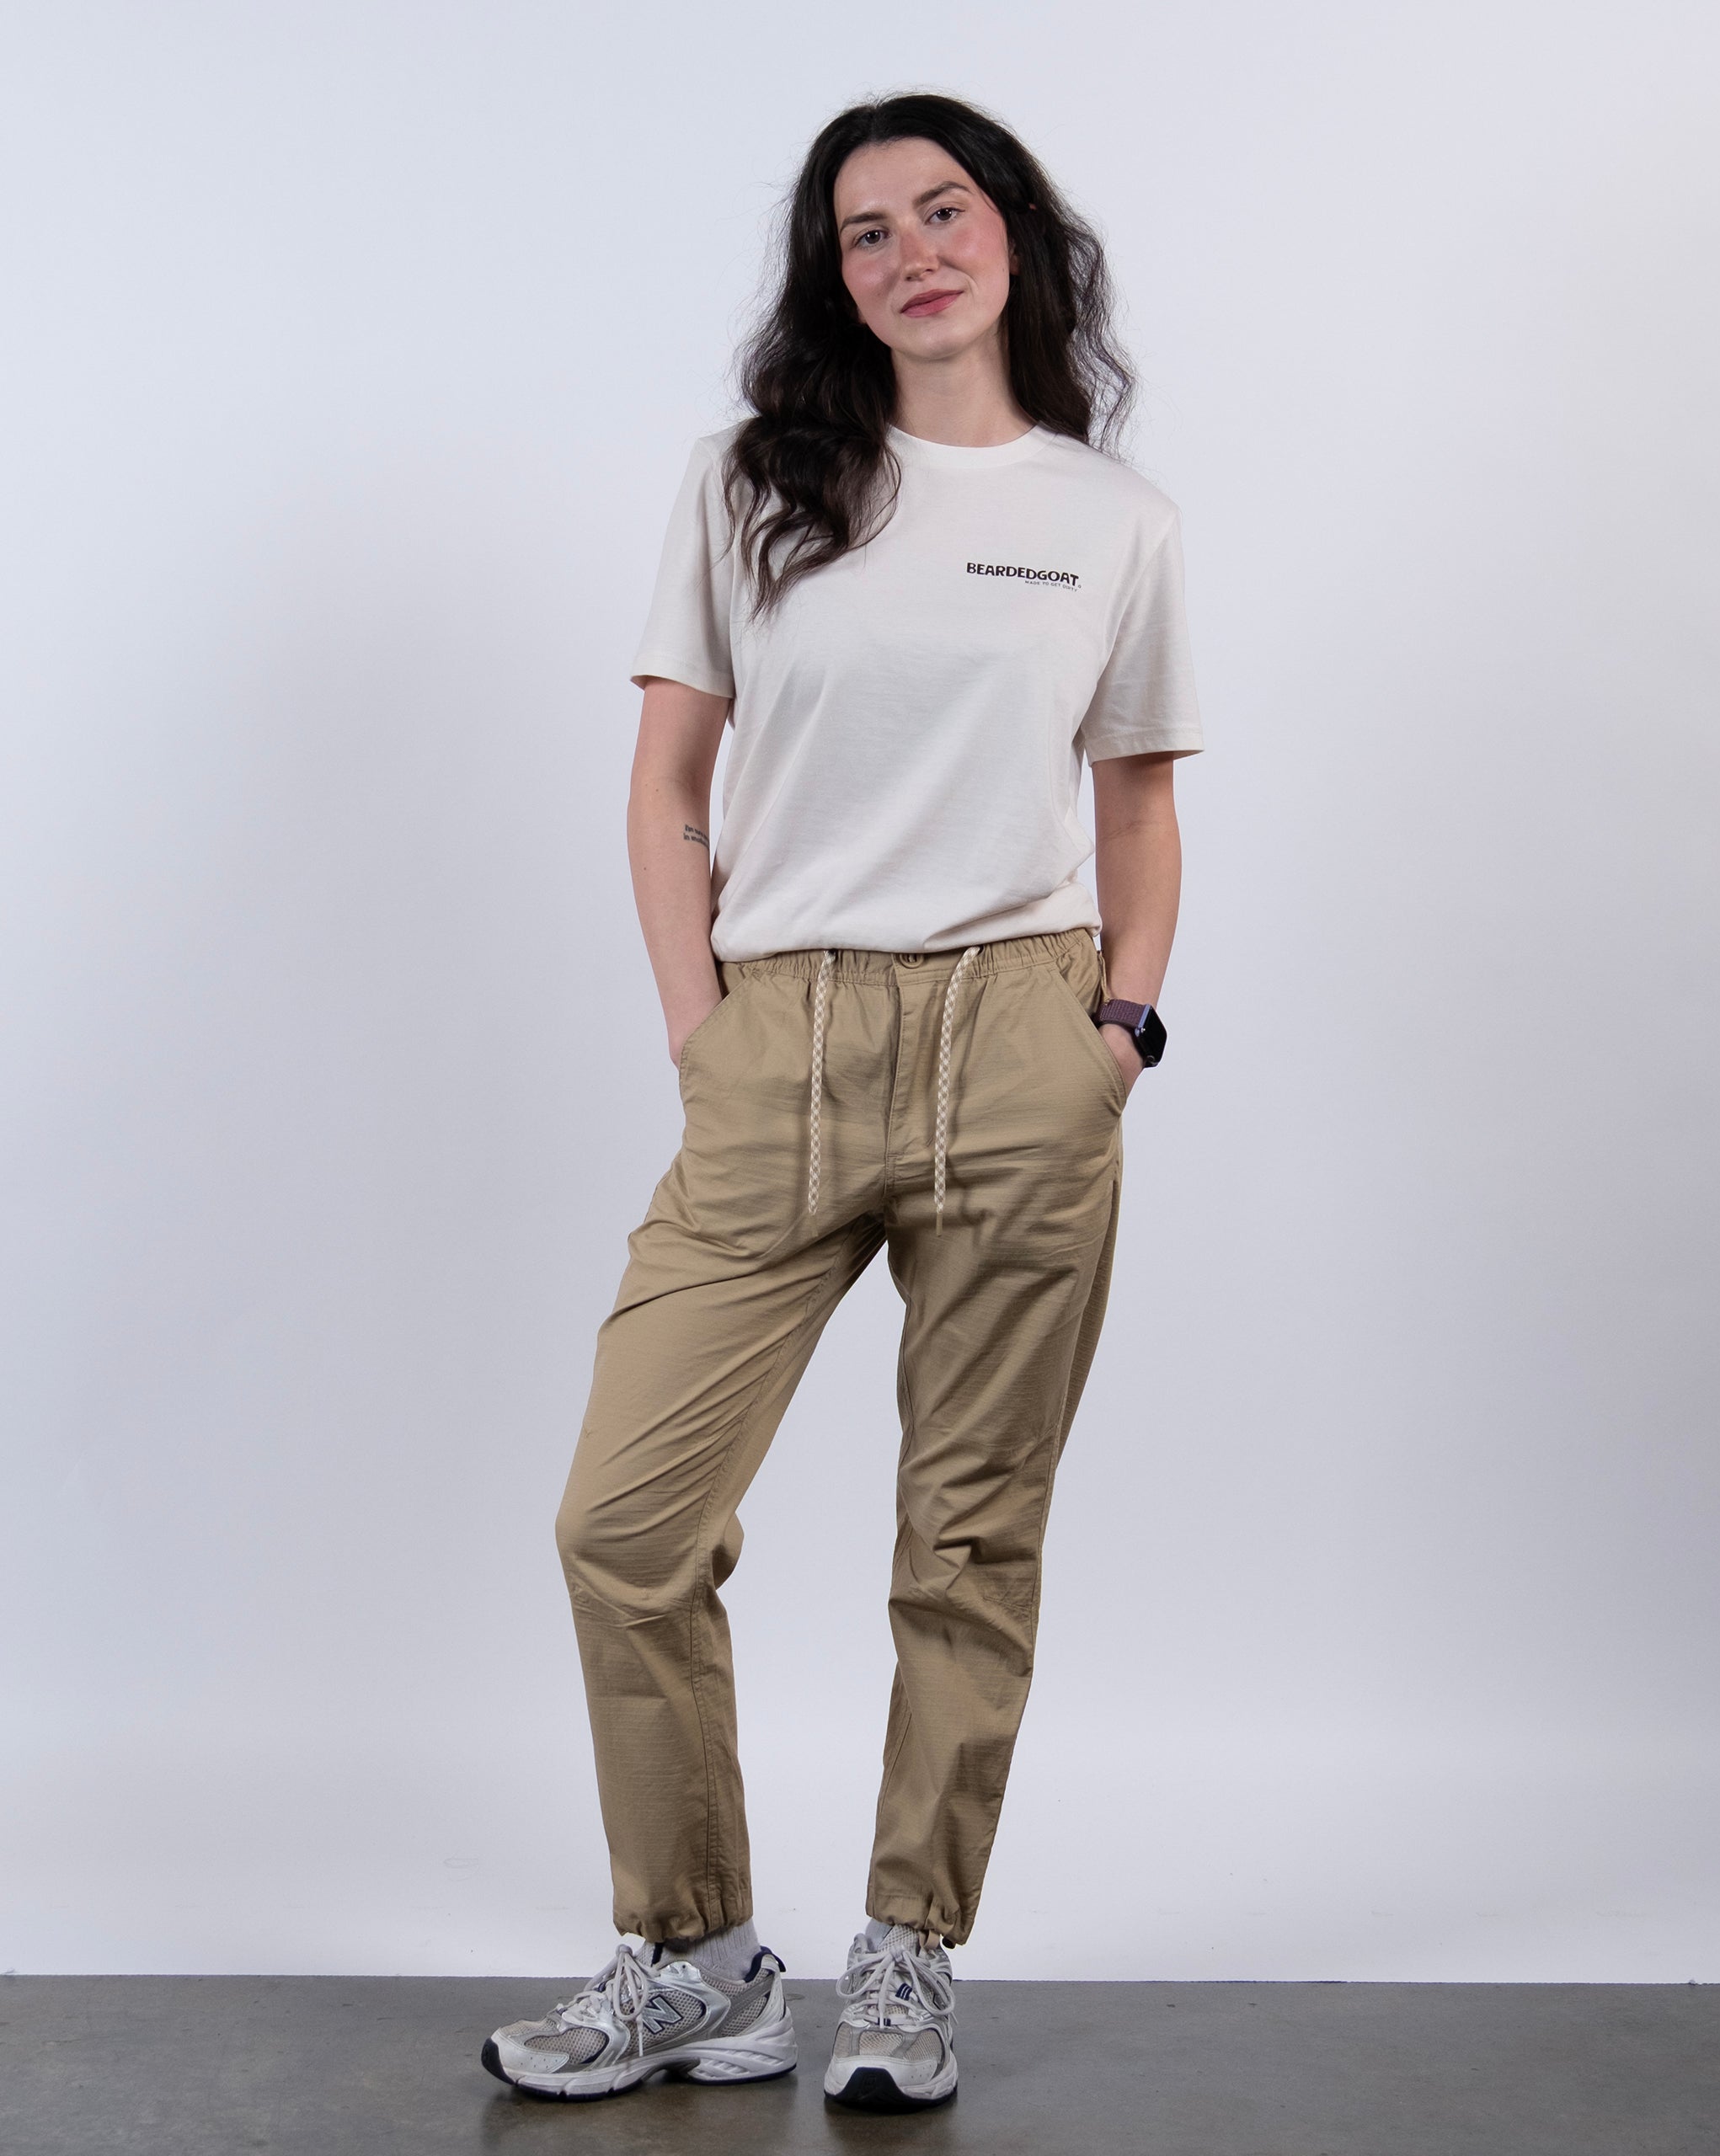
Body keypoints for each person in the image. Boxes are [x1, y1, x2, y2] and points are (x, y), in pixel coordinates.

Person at [482, 89, 1202, 2112]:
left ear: (1013, 235)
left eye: (940, 209)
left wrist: (1118, 1030)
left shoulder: (1110, 518)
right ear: (837, 277)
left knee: (967, 1532)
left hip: (1022, 1041)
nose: (907, 252)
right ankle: (703, 1950)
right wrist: (705, 1028)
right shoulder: (752, 485)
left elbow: (1138, 801)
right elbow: (663, 788)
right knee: (622, 1520)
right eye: (863, 231)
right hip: (774, 1038)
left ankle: (906, 1949)